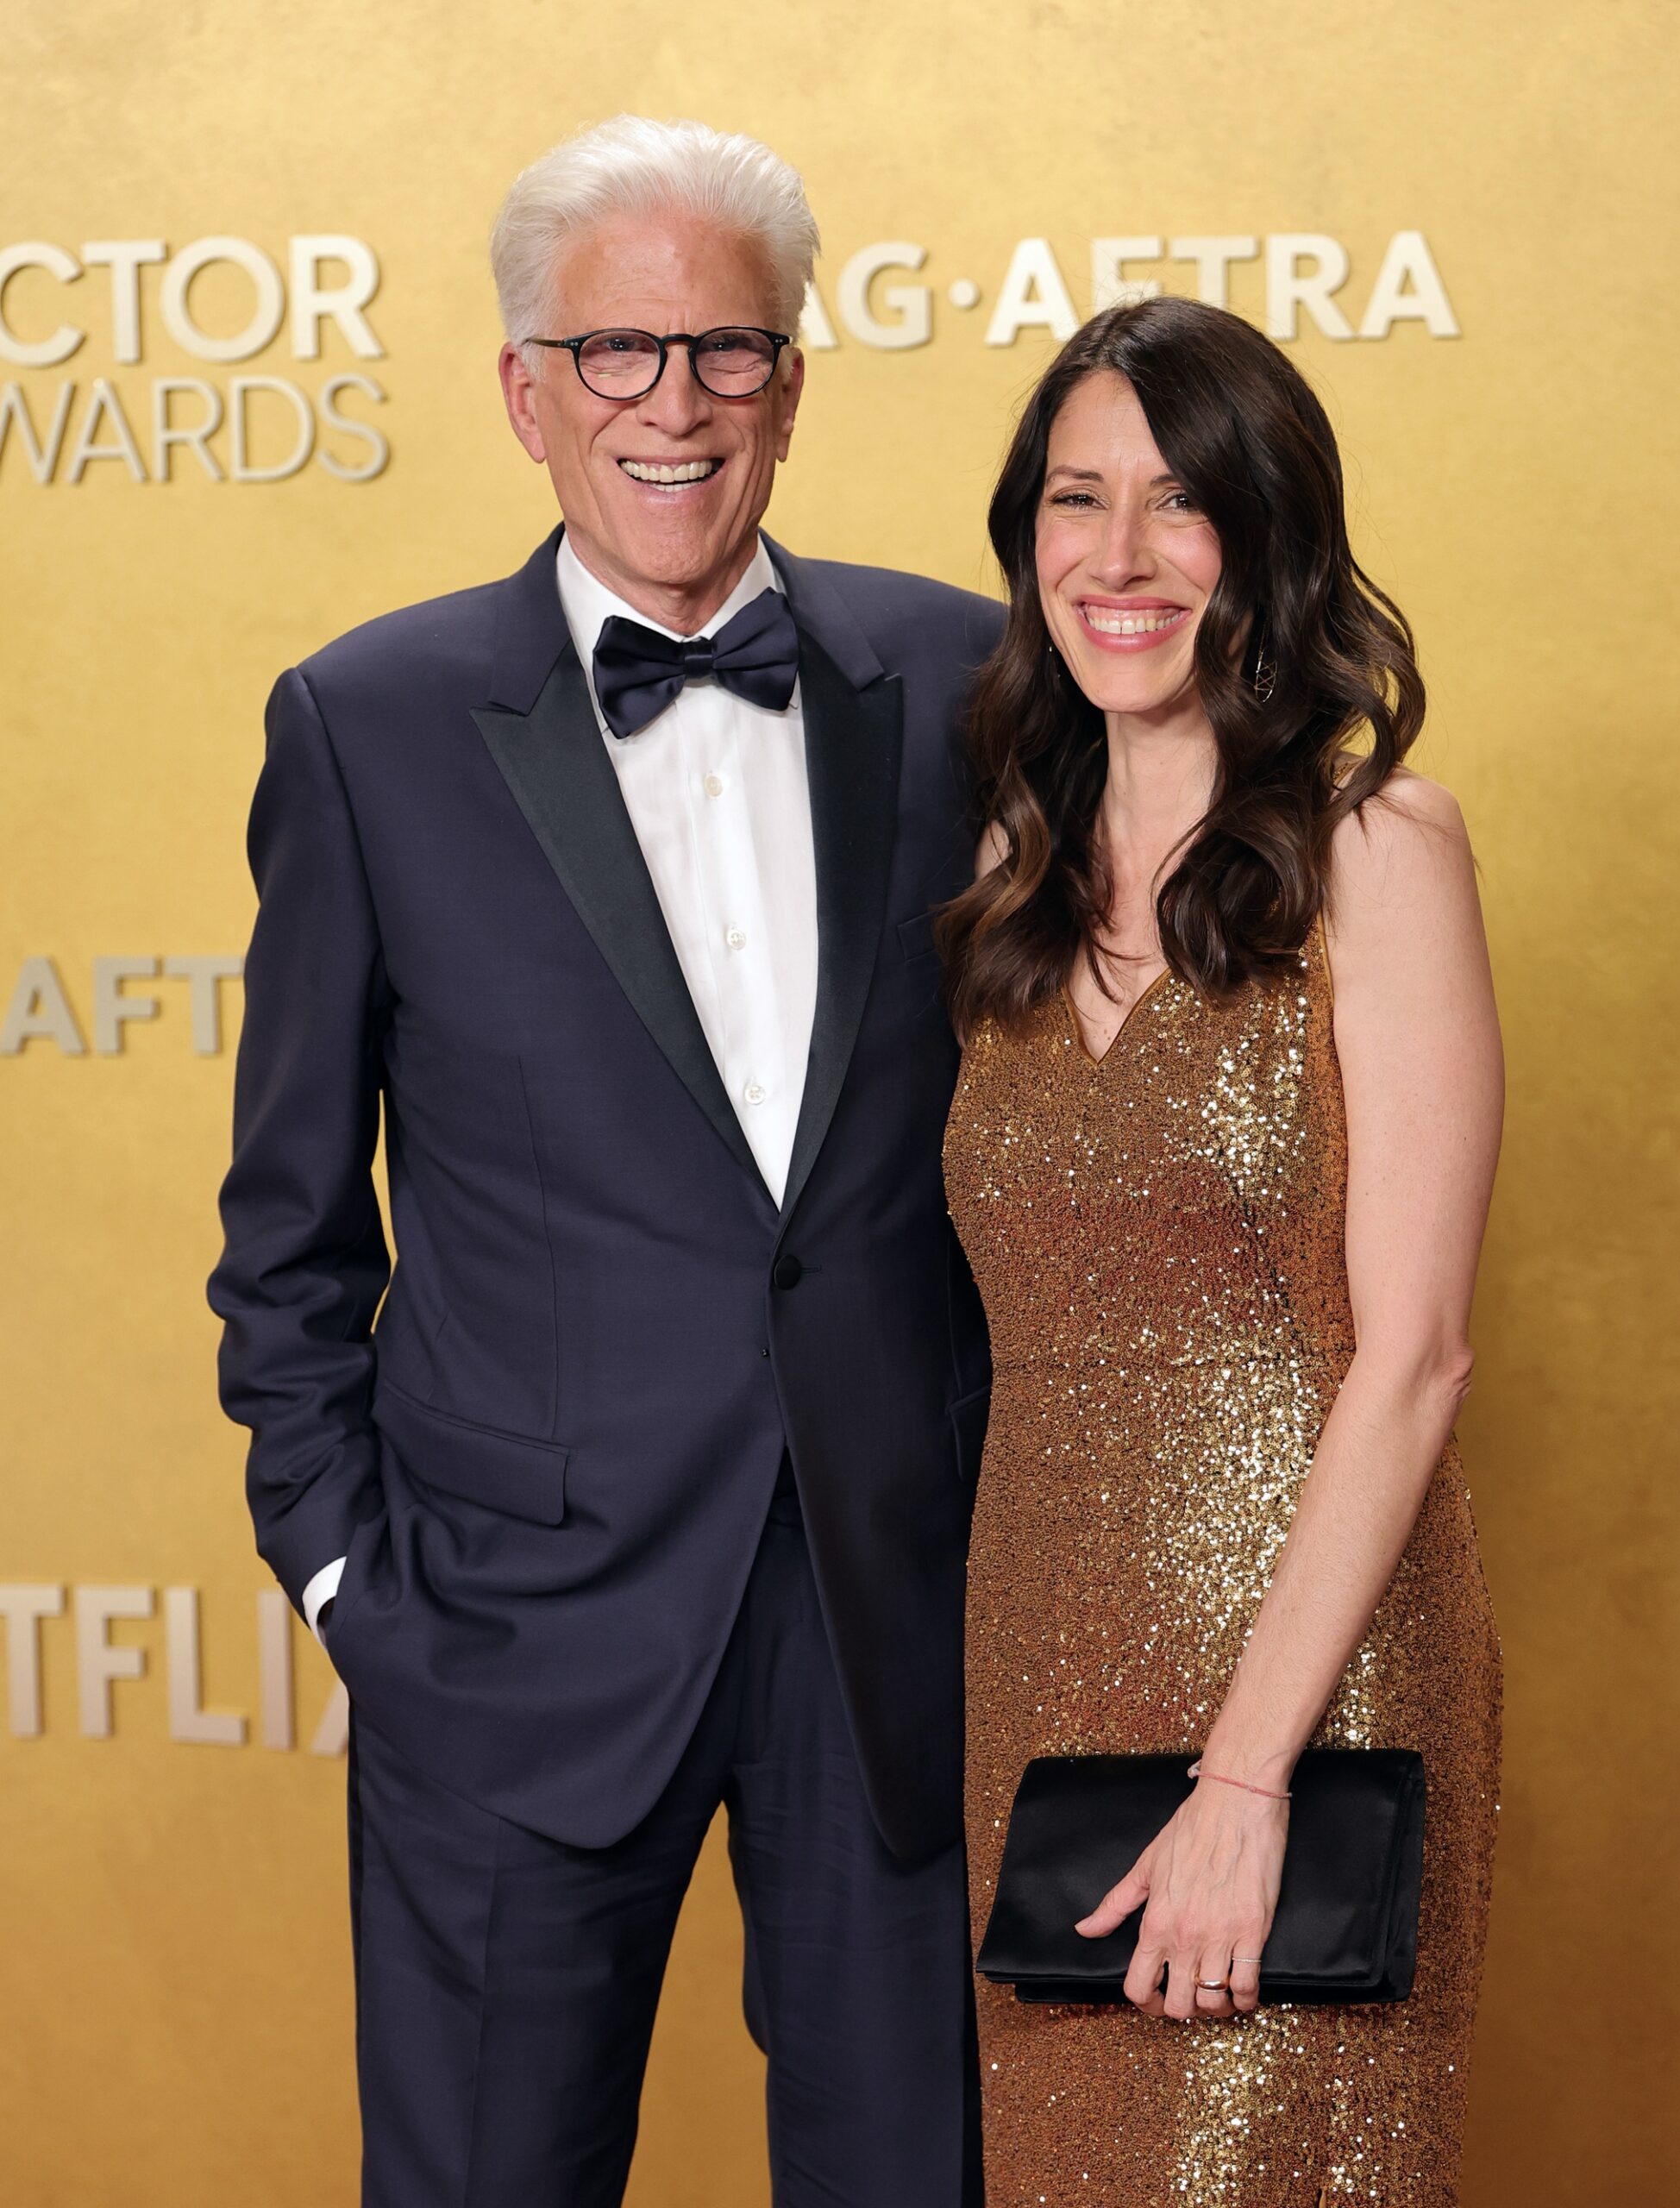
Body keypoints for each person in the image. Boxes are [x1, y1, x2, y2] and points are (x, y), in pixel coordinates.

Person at [209, 115, 1001, 2208]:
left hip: (897, 1623)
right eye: (621, 352)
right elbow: (284, 1235)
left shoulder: (966, 679)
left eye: (727, 350)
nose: (677, 404)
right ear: (526, 393)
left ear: (795, 387)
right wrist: (354, 1579)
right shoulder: (364, 723)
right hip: (506, 1637)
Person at [940, 297, 1502, 2205]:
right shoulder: (1005, 900)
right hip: (1036, 1670)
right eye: (1074, 501)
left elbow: (1413, 1353)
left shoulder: (1377, 853)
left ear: (1269, 540)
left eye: (1179, 505)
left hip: (1313, 1685)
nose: (1117, 557)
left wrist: (1245, 1776)